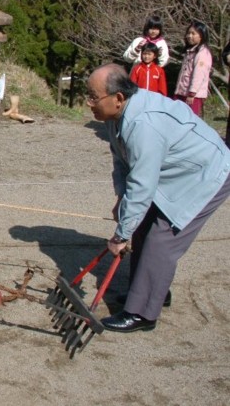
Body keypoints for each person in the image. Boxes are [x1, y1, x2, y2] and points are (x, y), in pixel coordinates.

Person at [85, 63, 230, 333]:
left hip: (206, 173)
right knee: (142, 224)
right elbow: (122, 163)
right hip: (176, 173)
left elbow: (142, 184)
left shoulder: (143, 124)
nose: (88, 102)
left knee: (162, 237)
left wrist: (120, 235)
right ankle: (154, 292)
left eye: (94, 96)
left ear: (118, 98)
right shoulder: (118, 116)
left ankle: (142, 312)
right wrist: (121, 200)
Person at [173, 21, 212, 116]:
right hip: (182, 92)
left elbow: (198, 75)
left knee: (189, 119)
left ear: (201, 35)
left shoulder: (202, 53)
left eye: (193, 33)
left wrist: (192, 94)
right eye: (188, 33)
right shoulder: (190, 51)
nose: (190, 36)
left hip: (192, 96)